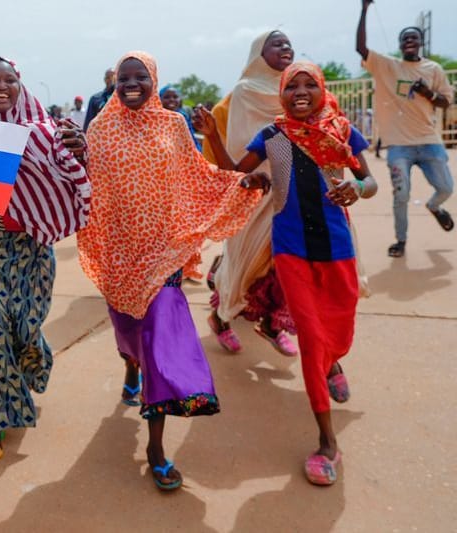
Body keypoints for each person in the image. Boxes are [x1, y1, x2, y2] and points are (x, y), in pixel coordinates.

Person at [77, 51, 267, 491]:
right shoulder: (99, 130)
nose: (131, 83)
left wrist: (240, 183)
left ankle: (156, 448)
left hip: (164, 254)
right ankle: (130, 366)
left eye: (139, 76)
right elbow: (85, 185)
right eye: (124, 77)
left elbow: (197, 175)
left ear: (153, 79)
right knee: (130, 333)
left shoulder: (173, 125)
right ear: (114, 83)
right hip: (119, 256)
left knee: (162, 343)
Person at [198, 61, 378, 486]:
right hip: (292, 250)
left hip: (337, 251)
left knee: (339, 335)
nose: (300, 91)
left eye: (308, 84)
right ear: (281, 93)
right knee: (314, 341)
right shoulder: (273, 136)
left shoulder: (342, 131)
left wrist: (357, 189)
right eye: (291, 85)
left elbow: (369, 181)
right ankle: (327, 444)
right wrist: (215, 137)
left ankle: (335, 365)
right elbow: (237, 172)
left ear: (321, 90)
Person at [0, 57, 90, 460]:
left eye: (9, 80)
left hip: (35, 245)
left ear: (20, 85)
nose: (2, 86)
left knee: (27, 325)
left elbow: (72, 178)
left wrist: (80, 150)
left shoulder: (48, 132)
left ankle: (32, 361)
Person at [205, 30, 298, 357]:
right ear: (258, 53)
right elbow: (244, 143)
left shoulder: (299, 86)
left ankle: (273, 324)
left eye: (288, 42)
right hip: (257, 187)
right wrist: (253, 178)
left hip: (294, 190)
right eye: (276, 43)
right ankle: (221, 317)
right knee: (245, 263)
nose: (285, 47)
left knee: (286, 263)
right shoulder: (246, 91)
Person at [357, 0, 454, 258]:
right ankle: (401, 241)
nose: (409, 40)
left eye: (414, 37)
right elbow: (361, 48)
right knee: (402, 194)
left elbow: (446, 101)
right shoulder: (387, 65)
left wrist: (428, 93)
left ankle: (435, 207)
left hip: (429, 141)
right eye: (405, 38)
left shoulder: (433, 69)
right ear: (400, 44)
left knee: (446, 188)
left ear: (420, 42)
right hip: (399, 146)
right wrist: (365, 9)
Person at [158, 85, 201, 151]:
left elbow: (190, 138)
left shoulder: (183, 116)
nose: (171, 99)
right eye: (167, 97)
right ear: (159, 99)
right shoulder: (156, 118)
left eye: (175, 97)